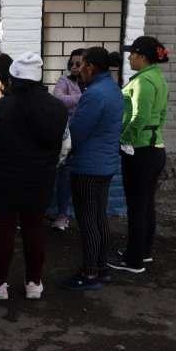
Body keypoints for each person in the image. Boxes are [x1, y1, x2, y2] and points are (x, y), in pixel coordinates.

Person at [0, 52, 70, 301]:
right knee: (35, 230)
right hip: (40, 181)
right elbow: (66, 146)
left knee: (4, 231)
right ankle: (34, 284)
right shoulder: (58, 108)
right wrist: (47, 165)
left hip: (3, 182)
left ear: (12, 78)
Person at [61, 48, 124, 291]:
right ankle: (101, 267)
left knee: (88, 220)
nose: (78, 70)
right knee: (98, 217)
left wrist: (62, 147)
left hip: (89, 166)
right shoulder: (112, 88)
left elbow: (77, 131)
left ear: (91, 68)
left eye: (81, 65)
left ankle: (89, 274)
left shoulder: (95, 94)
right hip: (104, 164)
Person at [108, 36, 170, 274]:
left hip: (140, 151)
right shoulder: (158, 79)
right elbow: (162, 114)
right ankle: (143, 252)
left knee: (136, 206)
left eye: (132, 54)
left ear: (142, 56)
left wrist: (124, 140)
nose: (130, 59)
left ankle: (133, 260)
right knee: (146, 204)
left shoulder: (143, 81)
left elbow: (139, 118)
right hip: (155, 148)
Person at [50, 48, 87, 230]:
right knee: (64, 175)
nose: (73, 66)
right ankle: (62, 215)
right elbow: (59, 100)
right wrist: (85, 98)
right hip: (67, 134)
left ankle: (85, 217)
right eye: (71, 63)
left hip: (88, 136)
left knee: (85, 178)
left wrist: (74, 101)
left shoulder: (94, 83)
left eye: (78, 64)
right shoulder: (64, 80)